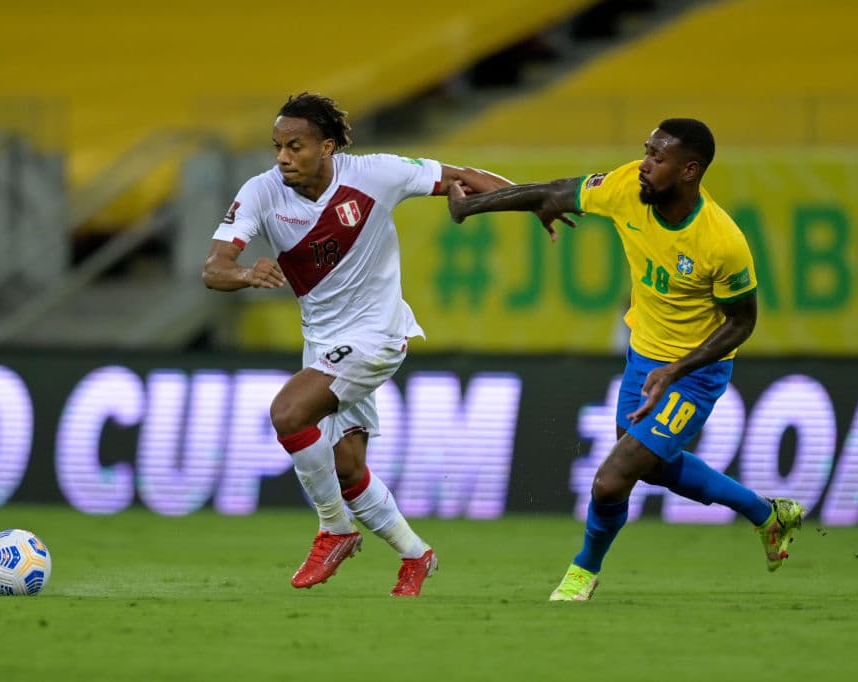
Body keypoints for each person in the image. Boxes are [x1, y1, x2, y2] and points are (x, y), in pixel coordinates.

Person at [447, 118, 805, 601]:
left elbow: (741, 323)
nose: (645, 164)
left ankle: (582, 573)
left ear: (689, 171)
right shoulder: (625, 187)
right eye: (646, 151)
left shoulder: (722, 242)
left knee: (611, 479)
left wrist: (676, 371)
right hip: (643, 357)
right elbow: (553, 192)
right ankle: (767, 513)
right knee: (648, 466)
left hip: (692, 372)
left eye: (658, 158)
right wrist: (472, 206)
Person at [202, 92, 517, 597]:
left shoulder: (376, 175)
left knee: (288, 413)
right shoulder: (262, 192)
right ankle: (417, 555)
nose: (283, 157)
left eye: (295, 146)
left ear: (327, 147)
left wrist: (536, 200)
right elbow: (213, 269)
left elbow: (466, 176)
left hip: (378, 335)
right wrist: (245, 272)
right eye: (277, 146)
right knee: (348, 470)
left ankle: (335, 529)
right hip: (323, 345)